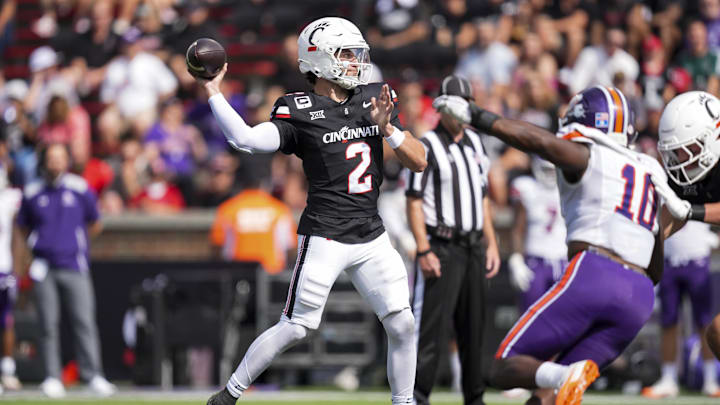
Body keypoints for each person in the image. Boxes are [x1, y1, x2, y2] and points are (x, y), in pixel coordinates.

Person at [202, 17, 427, 405]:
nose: (357, 62)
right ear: (319, 60)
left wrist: (388, 129)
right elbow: (245, 140)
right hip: (325, 234)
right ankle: (228, 394)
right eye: (346, 54)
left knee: (403, 323)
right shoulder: (298, 109)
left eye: (358, 54)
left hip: (371, 233)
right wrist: (213, 91)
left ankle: (403, 403)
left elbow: (419, 161)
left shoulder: (374, 98)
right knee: (297, 327)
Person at [434, 85, 665, 405]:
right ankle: (568, 377)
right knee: (548, 396)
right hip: (639, 295)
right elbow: (655, 265)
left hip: (597, 271)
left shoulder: (590, 154)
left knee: (502, 367)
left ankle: (563, 375)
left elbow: (540, 141)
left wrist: (476, 116)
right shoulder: (646, 172)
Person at [406, 75, 501, 405]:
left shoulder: (476, 143)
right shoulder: (427, 145)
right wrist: (423, 248)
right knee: (430, 329)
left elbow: (483, 197)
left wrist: (491, 242)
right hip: (442, 246)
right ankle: (417, 397)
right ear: (442, 107)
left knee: (474, 329)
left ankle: (475, 398)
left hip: (473, 246)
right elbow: (414, 199)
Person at [14, 143, 116, 398]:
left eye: (60, 157)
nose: (56, 163)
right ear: (44, 160)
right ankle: (52, 375)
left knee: (84, 321)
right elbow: (23, 228)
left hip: (74, 264)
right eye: (51, 157)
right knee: (48, 323)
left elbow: (95, 223)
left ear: (66, 160)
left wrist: (74, 243)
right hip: (44, 266)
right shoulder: (33, 191)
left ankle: (92, 374)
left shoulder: (80, 188)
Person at [650, 91, 720, 371]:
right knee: (716, 332)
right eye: (675, 151)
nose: (679, 158)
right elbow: (673, 212)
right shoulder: (695, 169)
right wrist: (646, 241)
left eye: (687, 149)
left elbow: (687, 209)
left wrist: (693, 212)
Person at [642, 221, 720, 398]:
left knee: (704, 322)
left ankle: (710, 380)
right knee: (668, 322)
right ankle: (668, 378)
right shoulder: (666, 192)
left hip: (697, 256)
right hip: (669, 259)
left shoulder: (705, 192)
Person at [508, 156, 567, 312]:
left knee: (561, 319)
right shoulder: (526, 187)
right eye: (546, 170)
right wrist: (516, 258)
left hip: (563, 261)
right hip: (535, 261)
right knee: (529, 315)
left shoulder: (568, 189)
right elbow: (518, 227)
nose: (550, 174)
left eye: (553, 170)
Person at [209, 176, 297, 274]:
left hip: (237, 274)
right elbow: (291, 247)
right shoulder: (279, 209)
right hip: (272, 274)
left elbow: (217, 246)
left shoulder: (228, 209)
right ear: (264, 184)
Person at [0, 164, 21, 392]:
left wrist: (16, 267)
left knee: (6, 320)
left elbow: (18, 234)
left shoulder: (9, 199)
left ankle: (7, 369)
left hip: (3, 267)